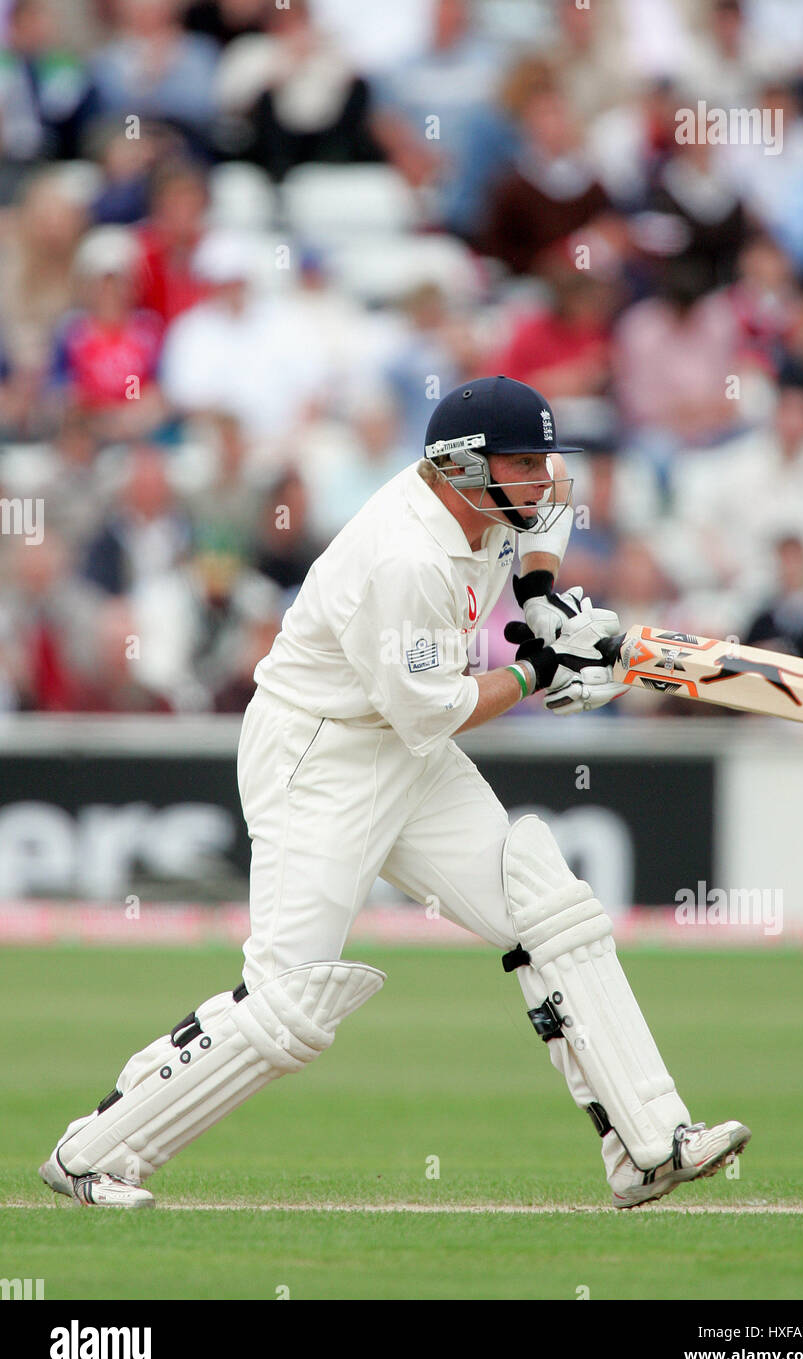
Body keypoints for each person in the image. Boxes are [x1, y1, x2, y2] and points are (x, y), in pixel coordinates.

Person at [38, 376, 750, 1210]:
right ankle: (91, 1155)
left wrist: (538, 596)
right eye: (523, 465)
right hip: (321, 753)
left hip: (403, 746)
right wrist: (536, 671)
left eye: (543, 461)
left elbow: (548, 520)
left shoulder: (494, 499)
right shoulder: (406, 558)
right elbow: (436, 710)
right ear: (460, 469)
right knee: (291, 1005)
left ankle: (648, 1145)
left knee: (547, 907)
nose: (544, 481)